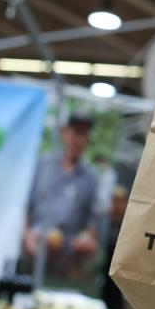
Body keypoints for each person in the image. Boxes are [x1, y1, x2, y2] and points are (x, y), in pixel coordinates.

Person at [21, 116, 100, 279]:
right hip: (31, 247)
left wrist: (86, 240)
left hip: (65, 256)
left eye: (84, 134)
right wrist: (27, 236)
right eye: (75, 133)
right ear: (64, 133)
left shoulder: (90, 178)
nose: (78, 140)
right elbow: (23, 206)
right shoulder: (43, 164)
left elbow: (92, 222)